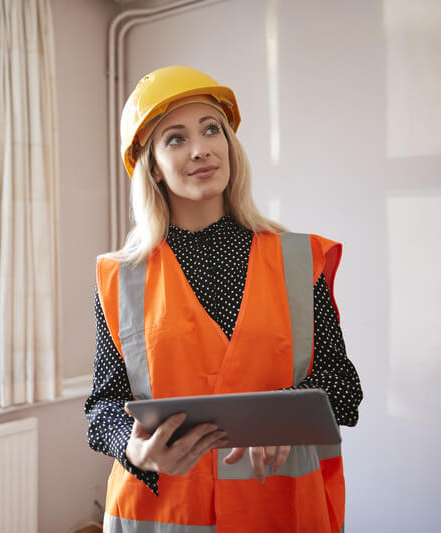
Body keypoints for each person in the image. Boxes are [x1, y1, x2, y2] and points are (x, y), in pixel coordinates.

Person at [84, 66, 362, 532]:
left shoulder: (299, 258)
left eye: (212, 129)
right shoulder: (121, 277)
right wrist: (134, 447)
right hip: (162, 515)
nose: (201, 148)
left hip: (279, 510)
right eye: (175, 138)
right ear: (152, 165)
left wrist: (283, 415)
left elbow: (344, 388)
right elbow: (102, 407)